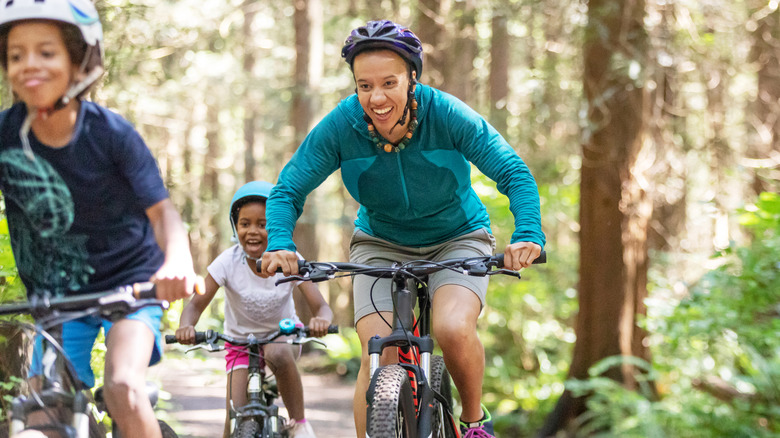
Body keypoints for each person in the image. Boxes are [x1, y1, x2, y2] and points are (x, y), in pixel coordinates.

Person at [259, 19, 545, 438]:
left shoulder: (444, 113)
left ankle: (472, 422)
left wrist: (528, 234)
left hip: (457, 238)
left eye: (389, 82)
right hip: (380, 243)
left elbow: (513, 171)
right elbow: (287, 190)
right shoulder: (342, 126)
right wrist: (281, 242)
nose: (376, 97)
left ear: (412, 78)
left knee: (451, 328)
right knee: (379, 353)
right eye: (364, 86)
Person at [0, 1, 198, 437]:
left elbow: (163, 212)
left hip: (130, 287)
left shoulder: (110, 133)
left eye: (46, 52)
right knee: (39, 409)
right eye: (16, 55)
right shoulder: (5, 136)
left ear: (80, 60)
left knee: (123, 387)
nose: (29, 64)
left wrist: (177, 263)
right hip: (55, 299)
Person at [175, 181, 333, 438]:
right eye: (245, 224)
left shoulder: (289, 259)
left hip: (281, 338)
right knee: (234, 418)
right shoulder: (228, 262)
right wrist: (186, 326)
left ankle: (298, 423)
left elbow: (321, 307)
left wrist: (321, 321)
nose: (253, 232)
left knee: (278, 353)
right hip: (239, 344)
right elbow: (195, 304)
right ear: (235, 227)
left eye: (263, 224)